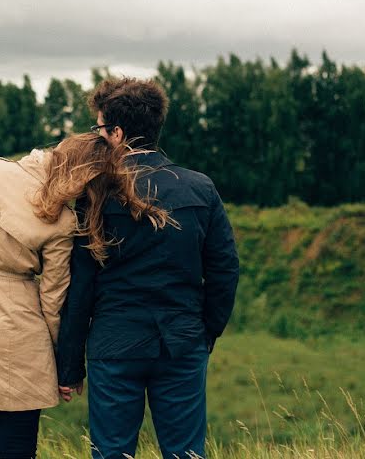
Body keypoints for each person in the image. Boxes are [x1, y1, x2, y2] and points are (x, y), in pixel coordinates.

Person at [0, 133, 174, 459]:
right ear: (86, 178)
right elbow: (53, 302)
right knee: (17, 447)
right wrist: (59, 362)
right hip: (18, 332)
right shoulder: (63, 220)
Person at [56, 78, 240, 459]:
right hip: (181, 340)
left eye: (100, 128)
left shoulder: (95, 194)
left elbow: (81, 285)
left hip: (114, 342)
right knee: (185, 454)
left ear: (118, 133)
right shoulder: (200, 189)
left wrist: (70, 364)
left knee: (111, 454)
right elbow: (224, 269)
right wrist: (206, 332)